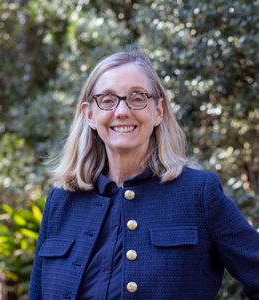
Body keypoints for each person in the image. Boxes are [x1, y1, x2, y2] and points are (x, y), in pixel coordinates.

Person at [28, 50, 259, 300]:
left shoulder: (198, 195)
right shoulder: (60, 202)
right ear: (89, 115)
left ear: (158, 111)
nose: (122, 111)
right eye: (107, 100)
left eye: (137, 98)